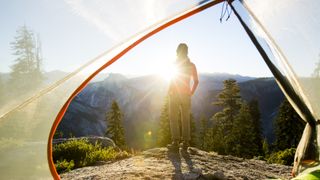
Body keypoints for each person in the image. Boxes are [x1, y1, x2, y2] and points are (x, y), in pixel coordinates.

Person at [167, 43, 199, 152]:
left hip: (175, 94)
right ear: (187, 52)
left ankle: (175, 142)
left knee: (173, 118)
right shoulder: (192, 65)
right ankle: (186, 142)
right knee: (185, 118)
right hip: (186, 95)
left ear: (177, 52)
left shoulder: (175, 64)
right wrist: (191, 92)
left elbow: (172, 80)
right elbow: (196, 81)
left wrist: (170, 91)